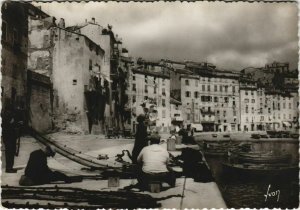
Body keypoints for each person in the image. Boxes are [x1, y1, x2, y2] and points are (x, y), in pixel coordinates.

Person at [1, 102, 20, 173]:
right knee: (10, 153)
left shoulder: (6, 115)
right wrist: (14, 123)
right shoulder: (6, 115)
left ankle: (10, 167)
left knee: (11, 152)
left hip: (10, 137)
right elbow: (8, 125)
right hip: (9, 137)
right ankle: (9, 168)